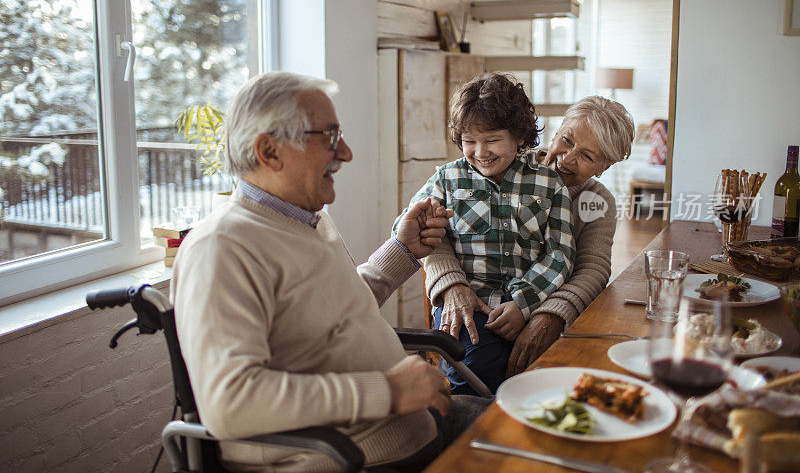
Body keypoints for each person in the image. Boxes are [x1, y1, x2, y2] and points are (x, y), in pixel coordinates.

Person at [171, 71, 490, 472]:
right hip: (358, 458)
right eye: (329, 137)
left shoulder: (307, 219)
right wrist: (387, 391)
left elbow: (333, 312)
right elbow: (230, 403)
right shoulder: (221, 247)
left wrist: (403, 251)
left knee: (552, 430)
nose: (346, 153)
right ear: (270, 151)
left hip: (417, 429)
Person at [425, 94, 635, 381]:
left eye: (587, 156)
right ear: (558, 129)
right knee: (478, 371)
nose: (567, 158)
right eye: (568, 140)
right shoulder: (500, 163)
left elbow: (592, 270)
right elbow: (431, 231)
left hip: (538, 303)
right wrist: (452, 285)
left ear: (605, 167)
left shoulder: (596, 201)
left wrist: (545, 314)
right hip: (478, 304)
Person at [394, 73, 576, 395]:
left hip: (530, 305)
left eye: (492, 140)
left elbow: (560, 254)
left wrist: (523, 304)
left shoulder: (549, 184)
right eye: (469, 140)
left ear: (519, 136)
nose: (480, 152)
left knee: (549, 380)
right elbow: (406, 229)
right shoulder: (447, 179)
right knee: (472, 375)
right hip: (470, 310)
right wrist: (451, 282)